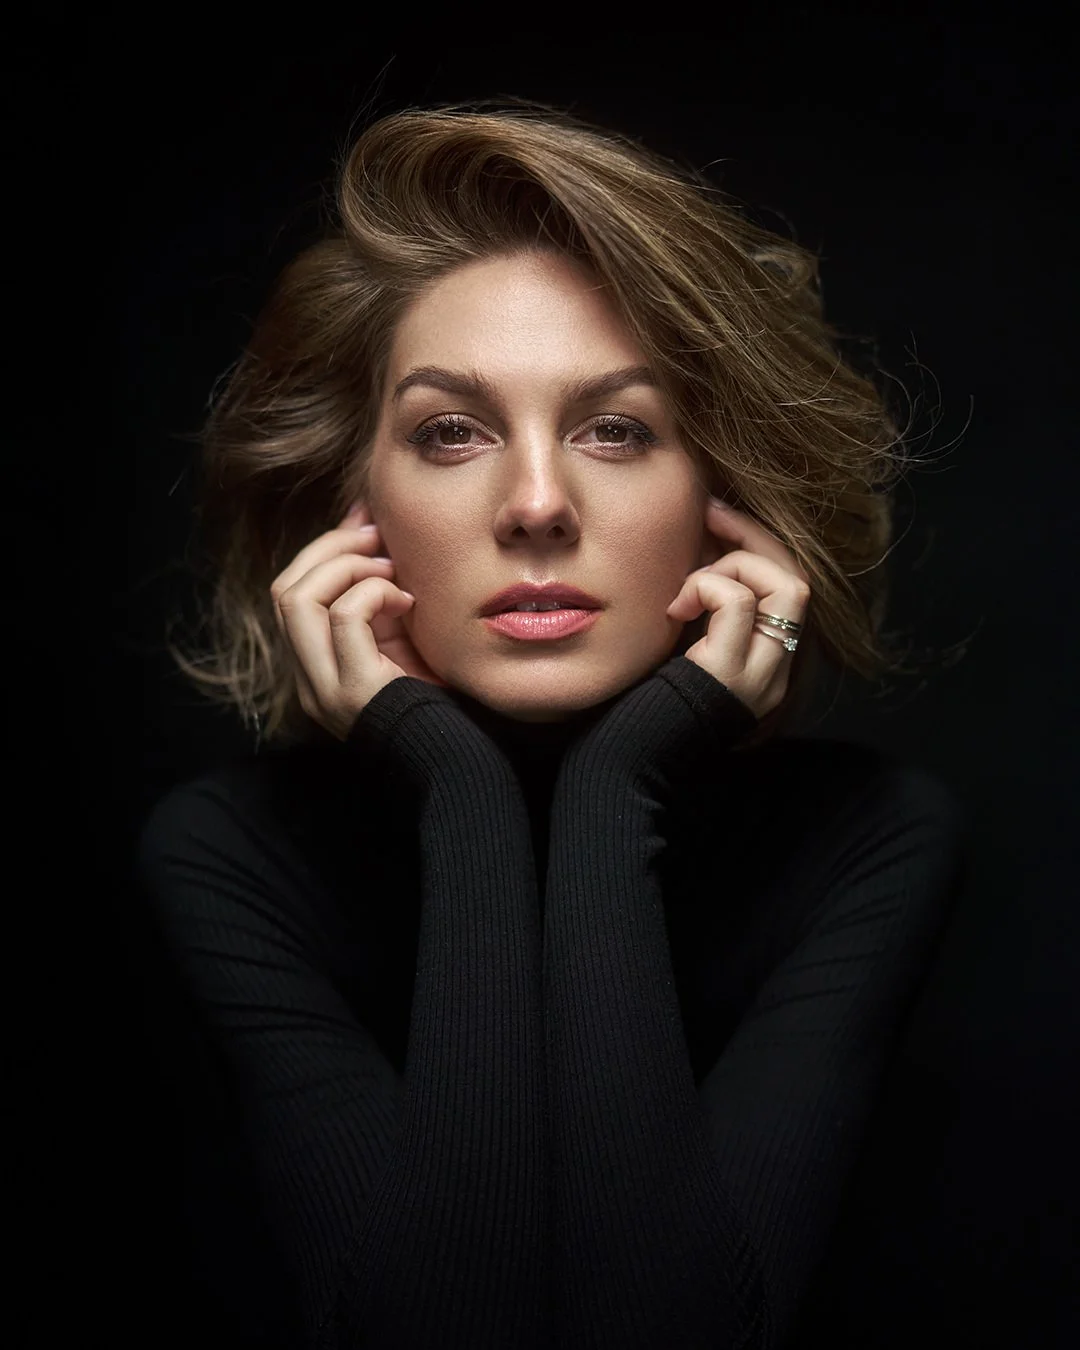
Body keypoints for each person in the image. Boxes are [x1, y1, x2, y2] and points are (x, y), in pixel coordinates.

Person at [135, 98, 969, 1349]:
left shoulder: (866, 842)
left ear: (723, 497)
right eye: (451, 433)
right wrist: (462, 791)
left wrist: (612, 787)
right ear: (347, 502)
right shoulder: (231, 857)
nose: (535, 504)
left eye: (618, 429)